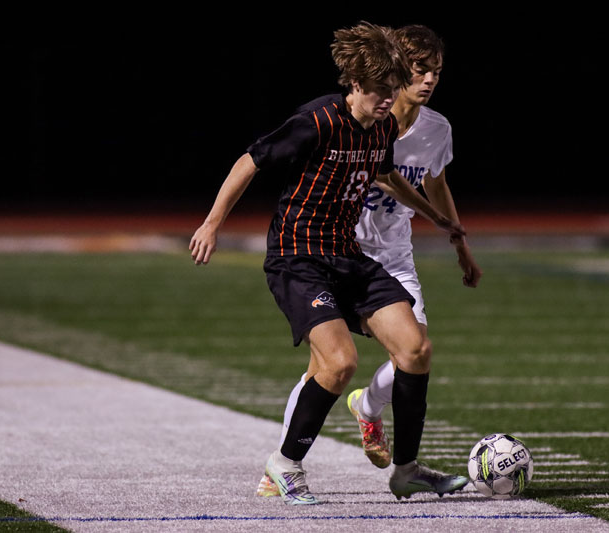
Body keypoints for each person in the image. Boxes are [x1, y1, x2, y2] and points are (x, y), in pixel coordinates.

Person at [190, 21, 466, 505]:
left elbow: (387, 176)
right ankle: (284, 464)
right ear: (356, 84)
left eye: (392, 90)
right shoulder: (317, 120)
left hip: (347, 256)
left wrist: (436, 216)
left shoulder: (380, 125)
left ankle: (405, 471)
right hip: (297, 258)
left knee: (415, 349)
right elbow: (249, 161)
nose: (388, 100)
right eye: (380, 90)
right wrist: (212, 224)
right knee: (340, 364)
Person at [345, 24, 483, 474]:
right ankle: (285, 463)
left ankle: (367, 409)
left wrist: (459, 241)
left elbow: (436, 182)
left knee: (416, 351)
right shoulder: (363, 119)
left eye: (436, 72)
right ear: (399, 68)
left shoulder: (435, 129)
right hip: (341, 251)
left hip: (394, 255)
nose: (429, 80)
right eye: (421, 70)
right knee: (327, 366)